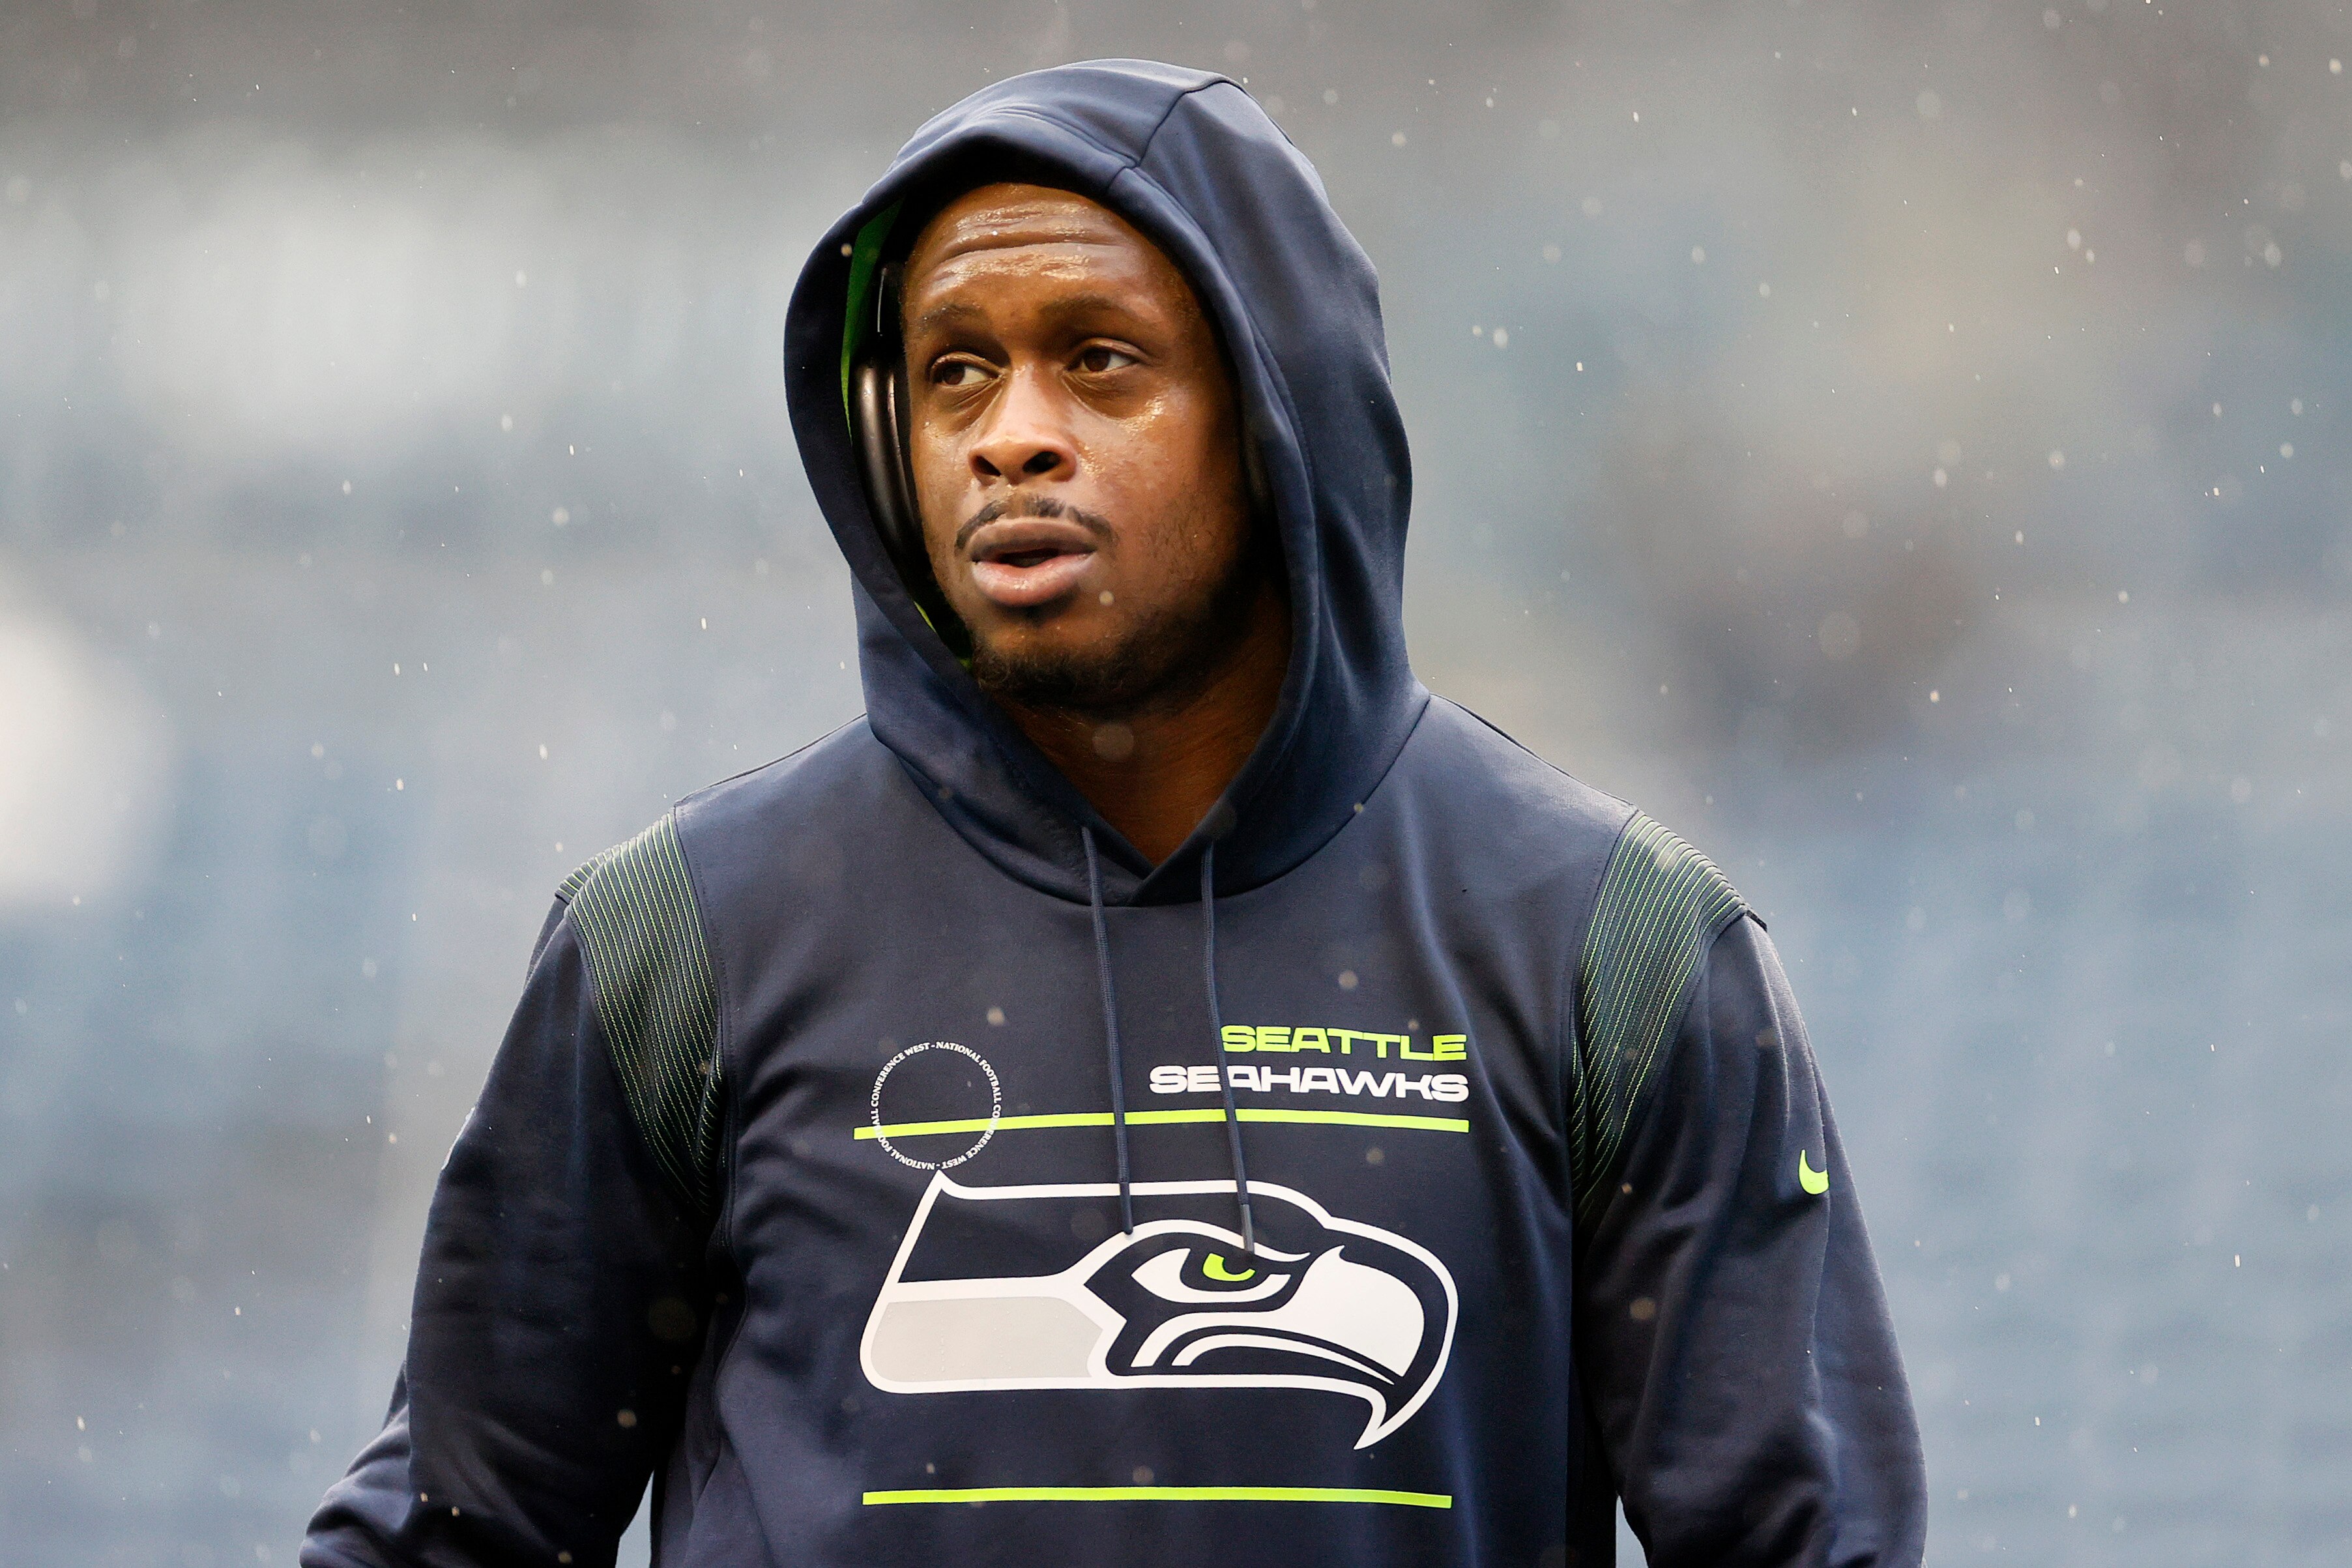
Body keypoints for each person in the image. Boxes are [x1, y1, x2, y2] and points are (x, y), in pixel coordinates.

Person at [301, 57, 1926, 1568]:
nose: (1009, 432)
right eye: (954, 371)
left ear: (1276, 418)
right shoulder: (681, 943)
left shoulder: (1611, 949)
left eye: (1098, 359)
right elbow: (459, 1528)